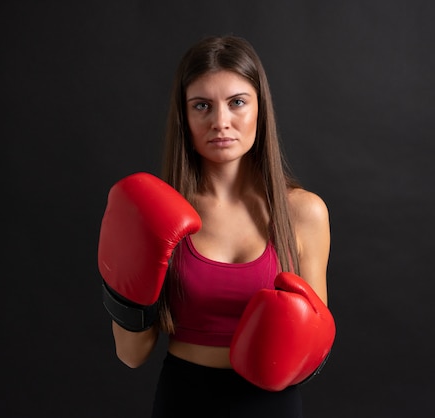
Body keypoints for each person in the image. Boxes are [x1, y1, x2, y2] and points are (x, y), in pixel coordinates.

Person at [97, 35, 335, 418]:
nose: (220, 122)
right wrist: (126, 291)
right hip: (185, 401)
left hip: (271, 406)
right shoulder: (158, 216)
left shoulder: (303, 213)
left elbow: (313, 351)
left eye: (237, 102)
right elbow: (131, 354)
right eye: (202, 106)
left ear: (261, 109)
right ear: (185, 117)